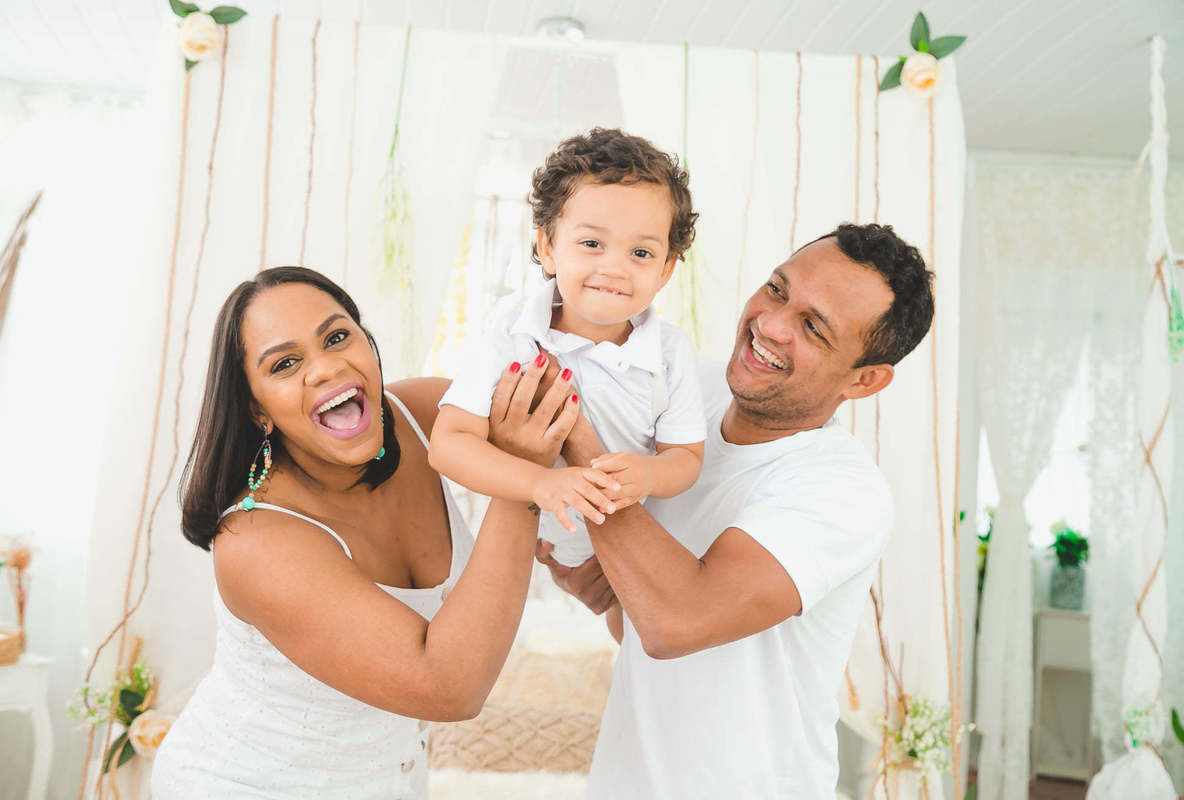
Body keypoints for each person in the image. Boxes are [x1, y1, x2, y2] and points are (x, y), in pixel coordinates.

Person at [488, 223, 936, 798]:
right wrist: (606, 593)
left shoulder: (842, 490)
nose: (771, 325)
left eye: (813, 327)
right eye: (777, 290)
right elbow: (653, 633)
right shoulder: (684, 391)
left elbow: (677, 622)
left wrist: (571, 423)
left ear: (865, 380)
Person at [151, 267, 578, 799]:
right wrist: (524, 478)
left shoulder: (429, 414)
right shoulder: (256, 543)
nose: (326, 368)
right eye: (285, 364)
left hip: (393, 780)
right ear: (257, 409)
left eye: (336, 337)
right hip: (247, 784)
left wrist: (591, 573)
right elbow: (451, 687)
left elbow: (572, 426)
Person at [429, 128, 707, 568]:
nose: (614, 267)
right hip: (531, 537)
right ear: (548, 247)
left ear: (666, 269)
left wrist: (650, 473)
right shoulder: (513, 330)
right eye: (592, 244)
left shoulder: (669, 352)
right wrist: (539, 483)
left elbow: (686, 457)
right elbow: (448, 445)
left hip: (630, 548)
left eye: (640, 253)